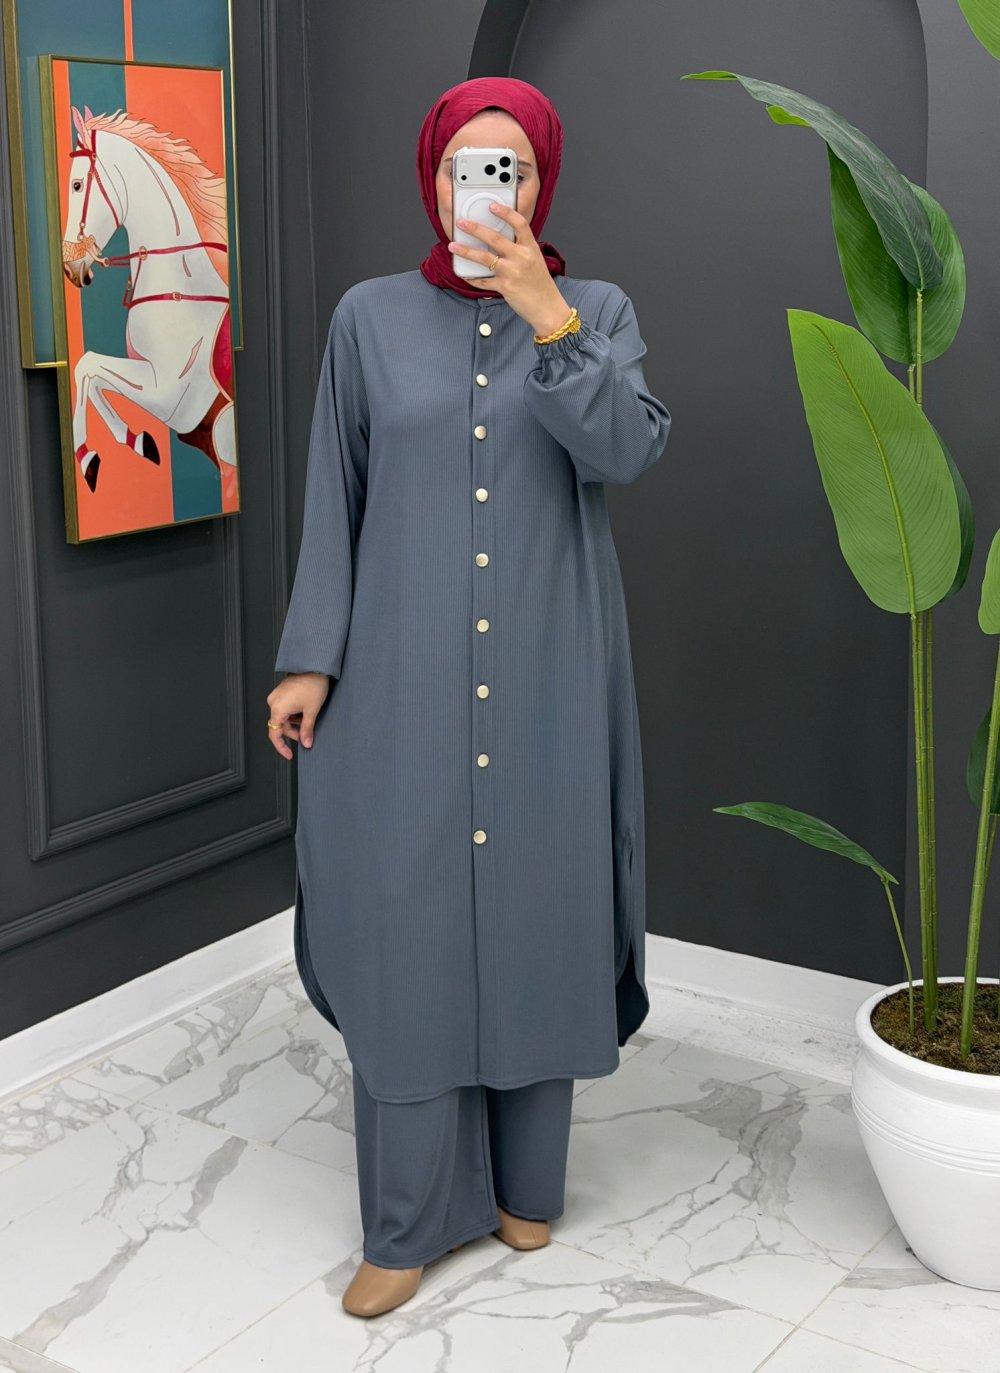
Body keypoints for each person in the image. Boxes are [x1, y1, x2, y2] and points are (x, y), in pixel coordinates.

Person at [266, 75, 672, 1318]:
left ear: (542, 183)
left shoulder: (598, 311)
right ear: (433, 177)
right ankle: (408, 1219)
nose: (488, 187)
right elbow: (335, 488)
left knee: (542, 907)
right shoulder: (368, 318)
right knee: (408, 926)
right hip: (399, 673)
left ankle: (524, 1187)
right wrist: (309, 655)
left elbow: (628, 447)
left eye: (513, 169)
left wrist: (549, 318)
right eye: (466, 167)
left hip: (551, 669)